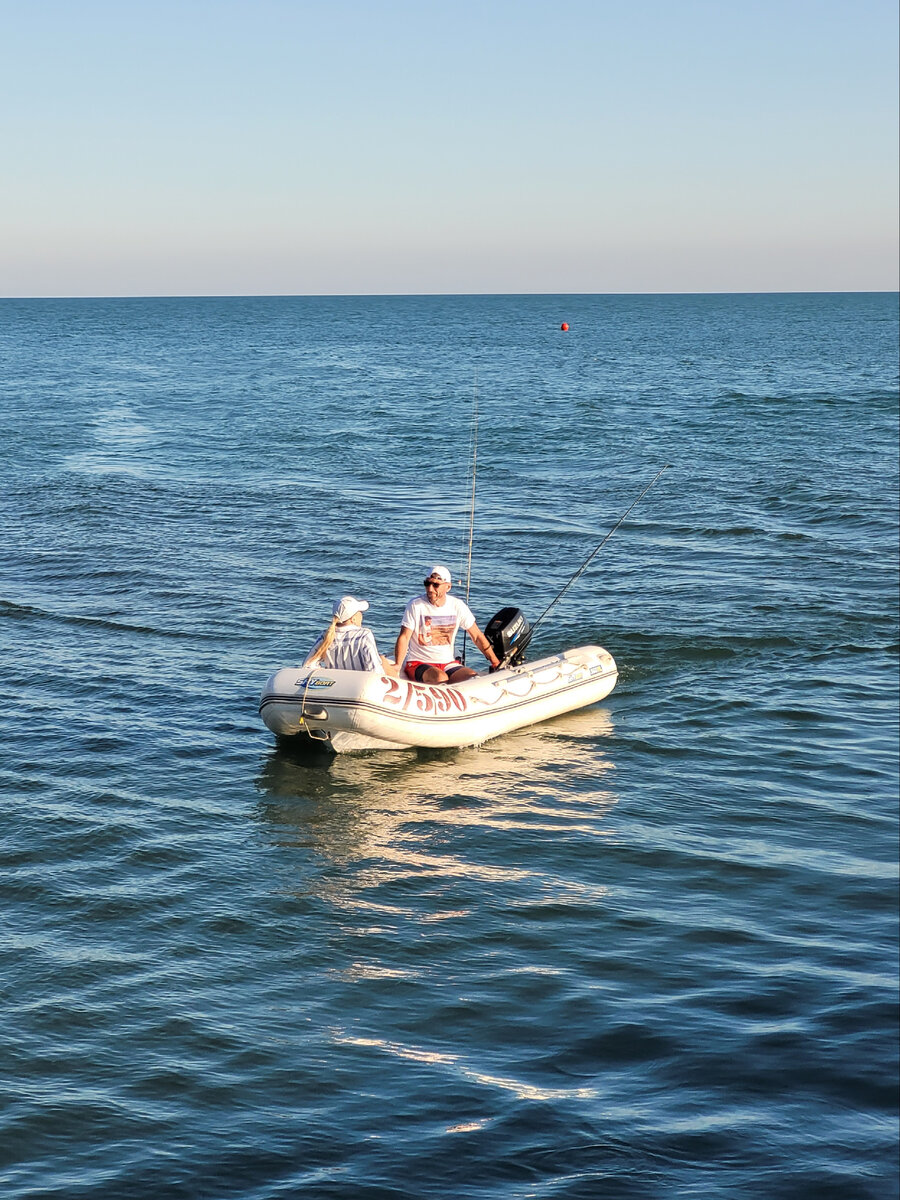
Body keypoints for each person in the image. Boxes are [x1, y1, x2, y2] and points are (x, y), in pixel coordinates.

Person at [394, 565, 500, 683]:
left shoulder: (457, 606)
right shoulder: (415, 605)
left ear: (448, 587)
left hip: (448, 663)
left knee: (472, 678)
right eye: (427, 583)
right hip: (418, 662)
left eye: (435, 585)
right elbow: (404, 636)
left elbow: (477, 636)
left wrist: (495, 662)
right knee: (440, 677)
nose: (430, 589)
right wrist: (398, 665)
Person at [305, 596, 398, 675]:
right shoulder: (364, 635)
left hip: (336, 683)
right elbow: (374, 670)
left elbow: (308, 665)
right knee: (383, 661)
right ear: (353, 619)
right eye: (360, 613)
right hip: (359, 685)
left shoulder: (325, 635)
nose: (362, 616)